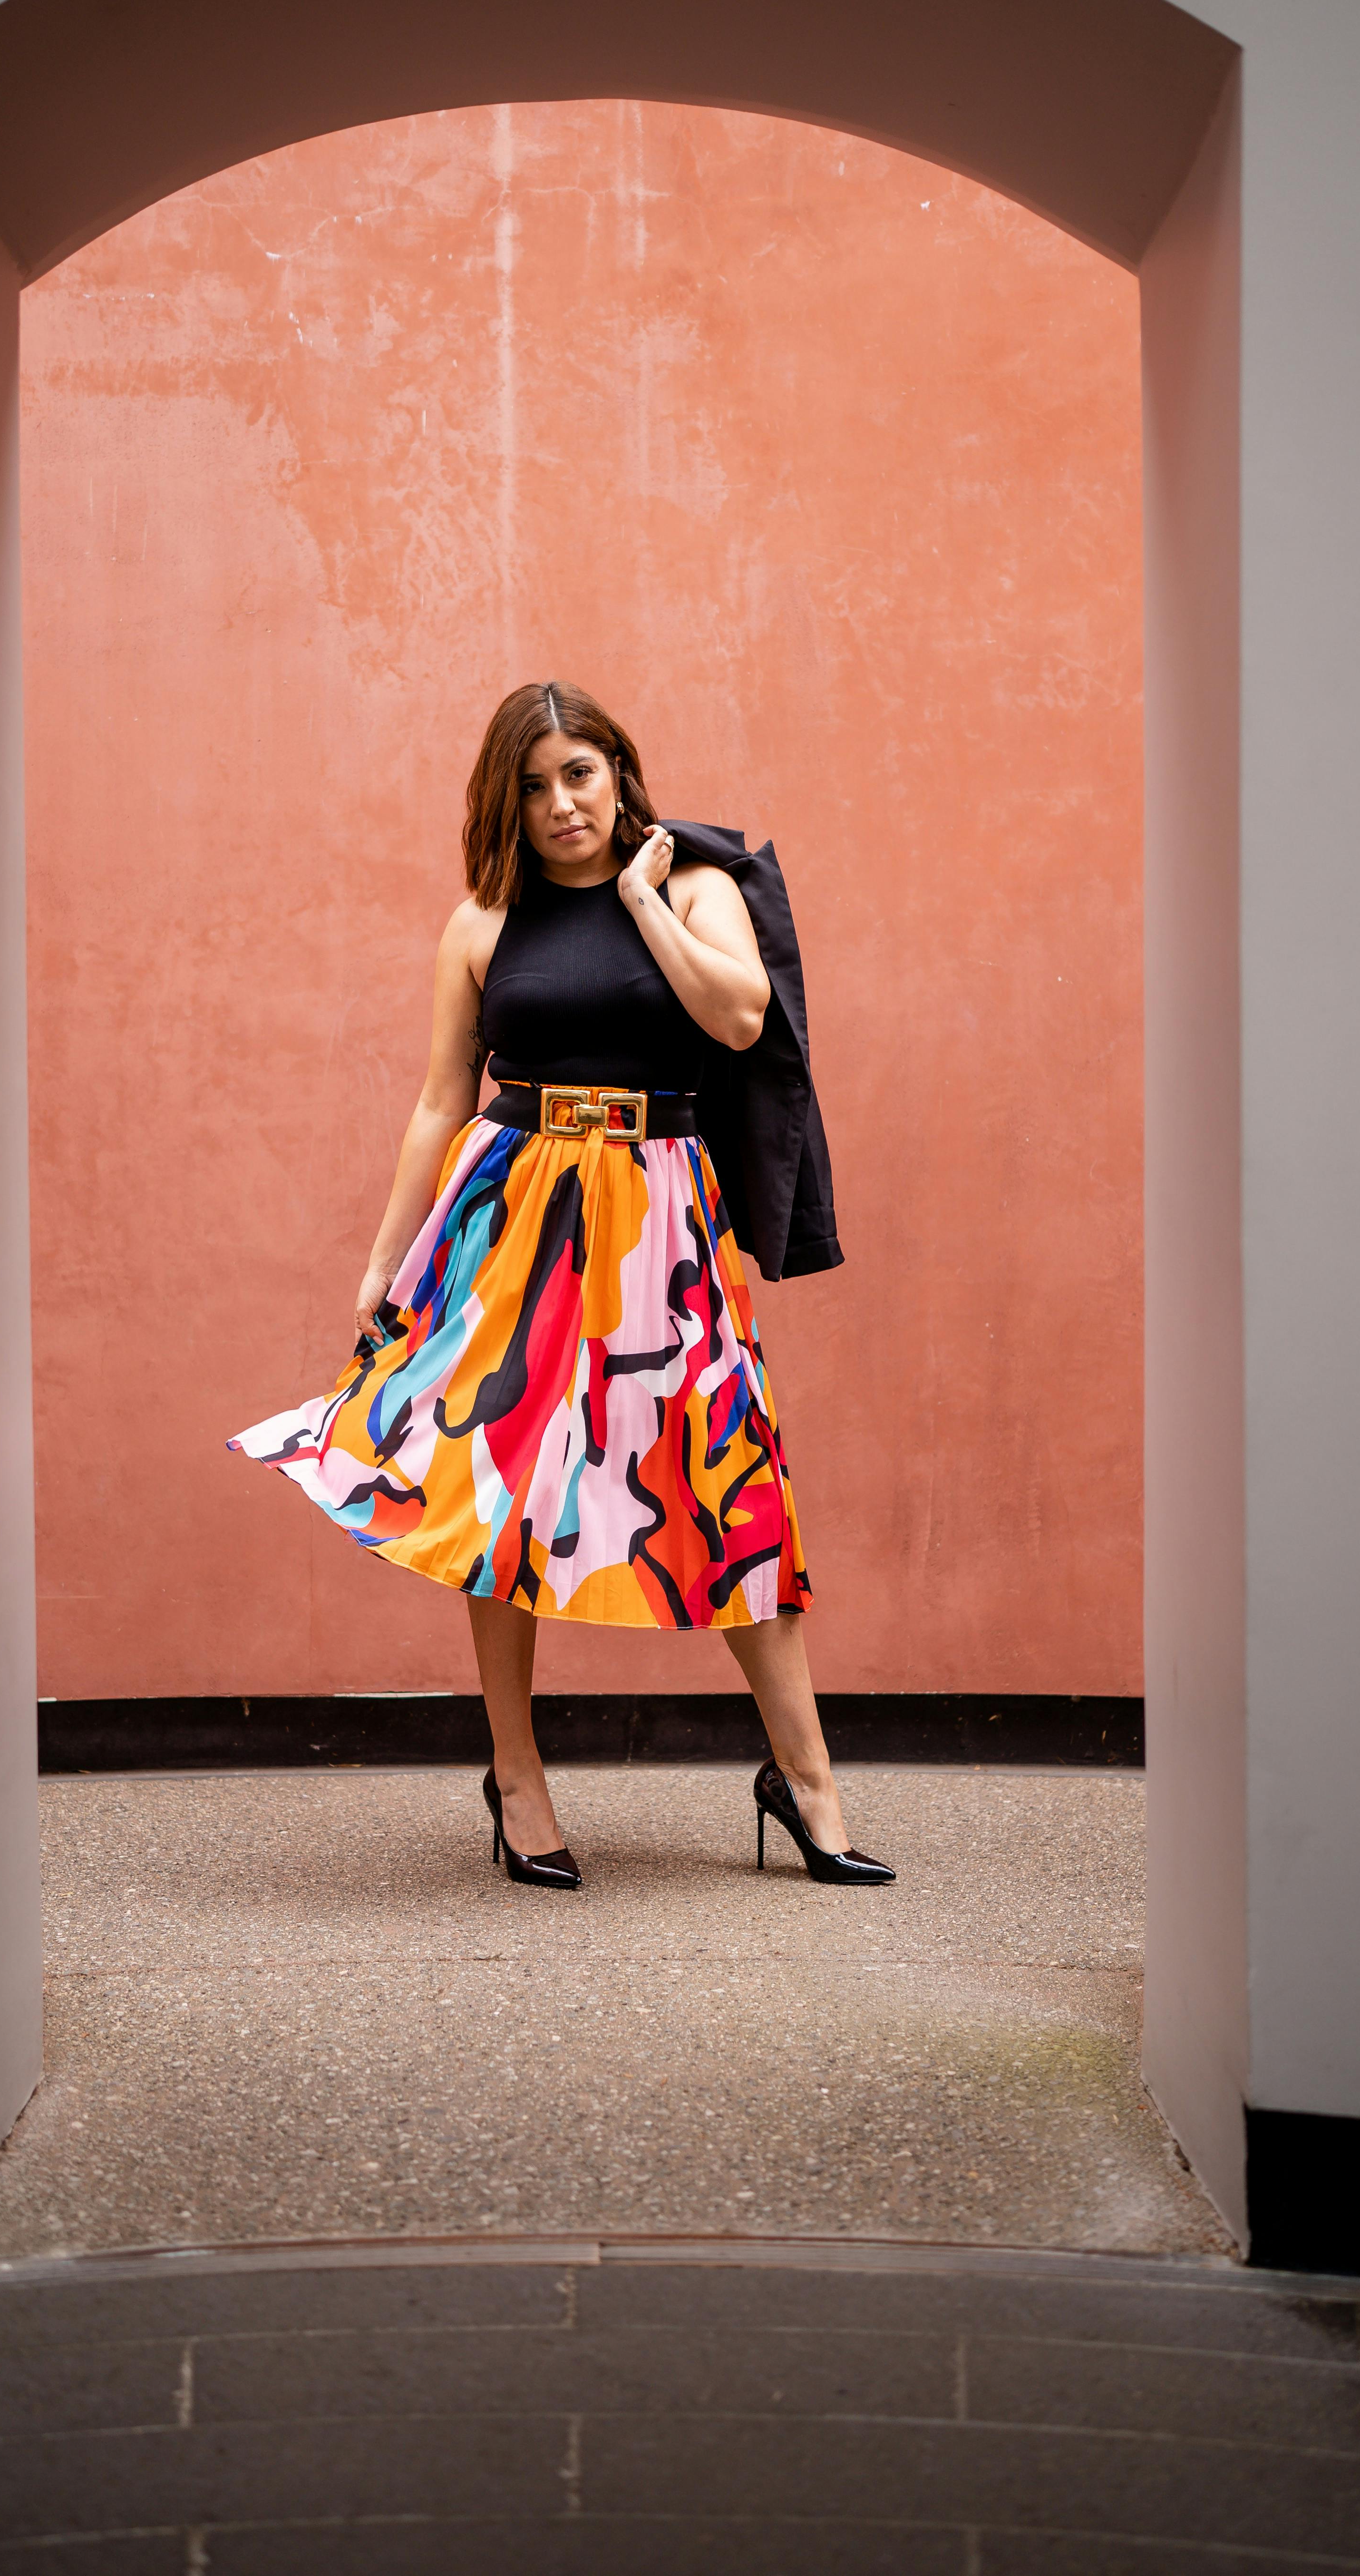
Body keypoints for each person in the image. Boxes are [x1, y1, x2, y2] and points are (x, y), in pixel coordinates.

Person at [229, 683, 893, 1893]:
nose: (559, 803)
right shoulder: (484, 920)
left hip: (664, 1228)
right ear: (506, 802)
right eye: (532, 786)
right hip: (512, 1220)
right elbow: (442, 1096)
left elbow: (741, 1020)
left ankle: (808, 1784)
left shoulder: (698, 887)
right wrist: (385, 1255)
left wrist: (641, 894)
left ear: (620, 772)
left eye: (578, 773)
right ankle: (517, 1775)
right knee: (497, 1497)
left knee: (731, 1484)